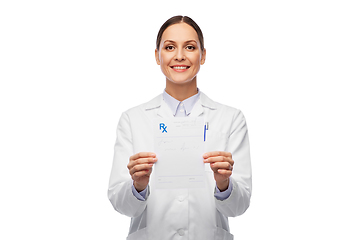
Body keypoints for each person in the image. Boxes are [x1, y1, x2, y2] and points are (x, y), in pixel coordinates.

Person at [108, 15, 252, 240]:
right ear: (157, 55)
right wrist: (137, 186)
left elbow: (238, 207)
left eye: (190, 47)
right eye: (169, 47)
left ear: (203, 55)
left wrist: (224, 184)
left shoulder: (230, 119)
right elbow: (122, 205)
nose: (179, 56)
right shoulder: (132, 120)